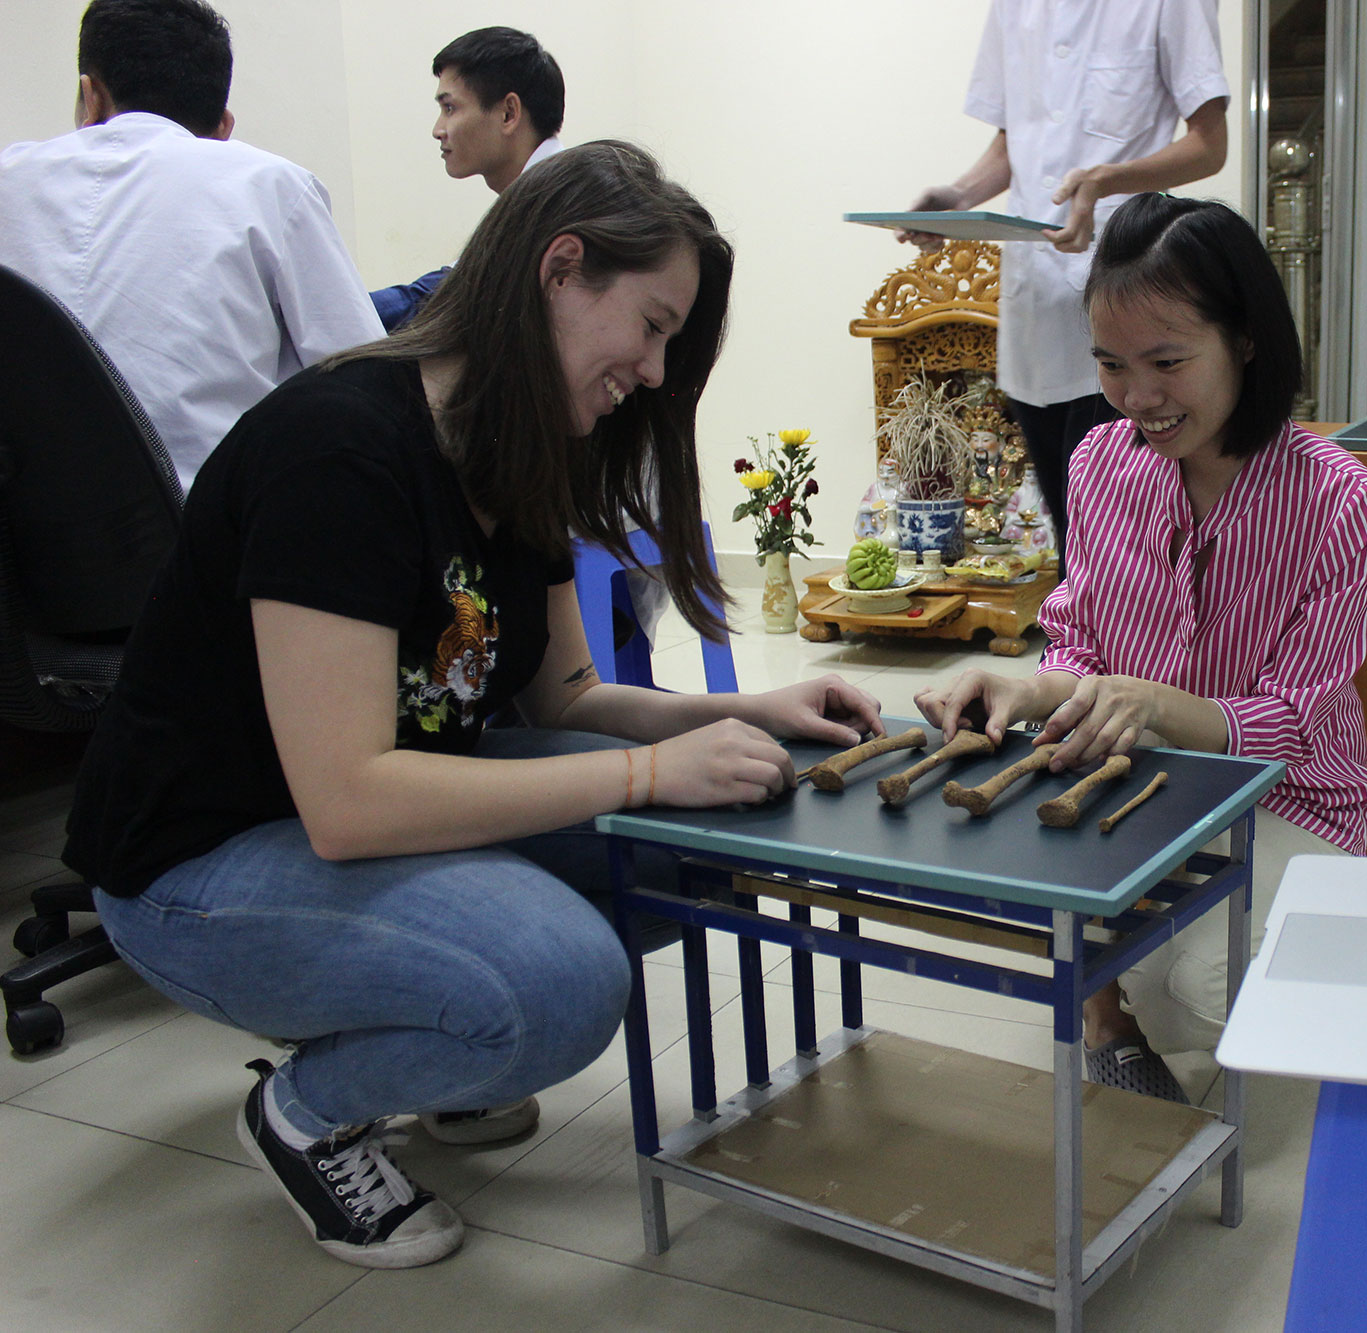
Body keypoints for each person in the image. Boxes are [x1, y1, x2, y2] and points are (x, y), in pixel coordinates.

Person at [61, 141, 884, 1270]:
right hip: (197, 866)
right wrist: (650, 775)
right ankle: (307, 1110)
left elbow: (570, 695)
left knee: (691, 844)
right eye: (649, 324)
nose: (653, 370)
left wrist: (744, 716)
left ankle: (425, 1036)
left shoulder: (521, 451)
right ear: (559, 269)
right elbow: (348, 801)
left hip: (340, 822)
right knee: (559, 979)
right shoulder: (340, 447)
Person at [916, 193, 1367, 1102]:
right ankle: (1109, 1014)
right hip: (1135, 782)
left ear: (1245, 341)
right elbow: (1083, 641)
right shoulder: (1099, 460)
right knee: (1019, 867)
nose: (1137, 397)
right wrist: (1032, 688)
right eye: (1110, 364)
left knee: (1199, 989)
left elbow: (1292, 722)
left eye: (1168, 361)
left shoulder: (1342, 500)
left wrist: (1157, 704)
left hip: (1294, 803)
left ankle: (1132, 990)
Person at [0, 0, 383, 492]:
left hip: (19, 545)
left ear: (90, 96)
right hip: (204, 540)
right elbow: (366, 384)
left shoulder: (10, 179)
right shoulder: (271, 185)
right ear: (222, 128)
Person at [900, 0, 1230, 551]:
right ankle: (1072, 639)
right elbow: (1016, 141)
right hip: (1036, 311)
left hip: (1125, 303)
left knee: (1125, 544)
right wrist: (957, 200)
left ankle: (1119, 638)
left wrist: (1110, 180)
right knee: (1070, 535)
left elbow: (1208, 144)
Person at [372, 27, 566, 330]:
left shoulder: (560, 208)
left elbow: (442, 299)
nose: (438, 129)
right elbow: (447, 287)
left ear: (508, 113)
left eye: (450, 108)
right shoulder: (539, 199)